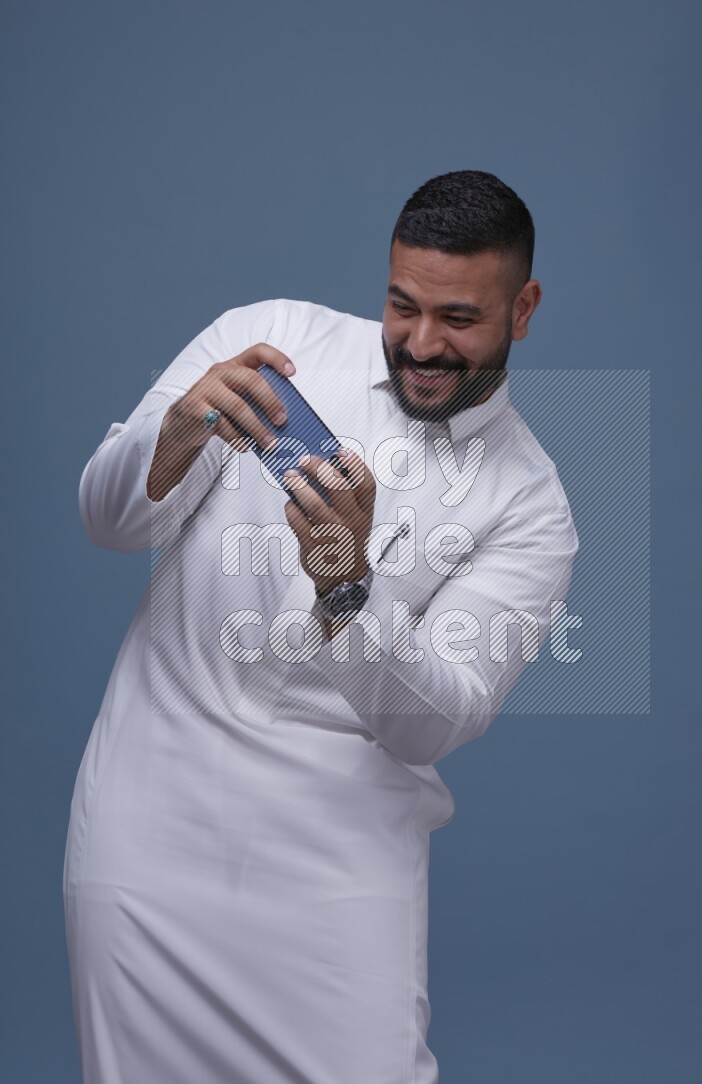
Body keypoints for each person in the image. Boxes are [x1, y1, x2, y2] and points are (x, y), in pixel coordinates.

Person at [64, 170, 579, 1083]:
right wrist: (179, 430)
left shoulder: (531, 507)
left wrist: (346, 583)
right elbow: (108, 523)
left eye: (458, 318)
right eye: (401, 305)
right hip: (147, 833)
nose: (421, 344)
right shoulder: (273, 342)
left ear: (523, 307)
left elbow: (431, 722)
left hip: (337, 875)